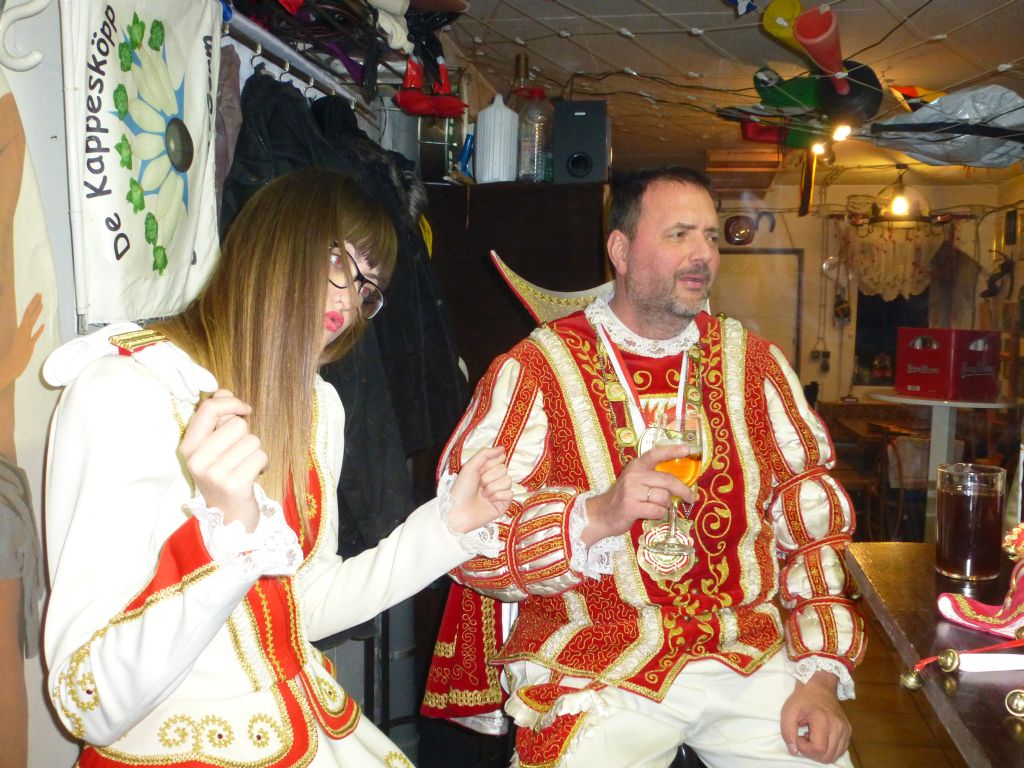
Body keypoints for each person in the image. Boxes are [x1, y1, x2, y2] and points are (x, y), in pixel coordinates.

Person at [41, 167, 512, 767]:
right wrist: (223, 543)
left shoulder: (317, 407)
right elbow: (88, 703)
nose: (350, 300)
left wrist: (446, 528)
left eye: (368, 287)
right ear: (276, 242)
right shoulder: (128, 389)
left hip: (312, 727)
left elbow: (305, 601)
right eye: (340, 261)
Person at [423, 166, 865, 767]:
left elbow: (813, 529)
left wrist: (821, 679)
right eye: (679, 234)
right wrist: (595, 516)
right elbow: (464, 536)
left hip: (746, 653)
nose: (702, 254)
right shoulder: (538, 369)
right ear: (621, 250)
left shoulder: (755, 366)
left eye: (710, 237)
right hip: (594, 660)